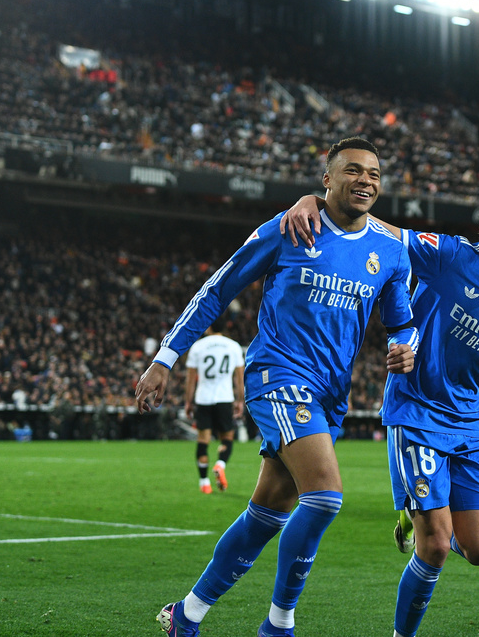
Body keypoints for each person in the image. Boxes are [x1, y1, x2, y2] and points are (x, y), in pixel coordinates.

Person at [134, 137, 420, 637]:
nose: (365, 181)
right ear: (326, 179)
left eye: (374, 174)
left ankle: (186, 615)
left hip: (331, 394)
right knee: (325, 497)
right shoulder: (290, 228)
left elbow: (401, 322)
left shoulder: (390, 250)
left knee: (267, 512)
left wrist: (405, 346)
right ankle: (278, 625)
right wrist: (165, 358)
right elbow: (218, 288)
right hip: (278, 376)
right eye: (353, 170)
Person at [282, 182, 479, 637]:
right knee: (435, 545)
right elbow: (383, 231)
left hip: (469, 425)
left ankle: (413, 517)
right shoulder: (453, 256)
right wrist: (317, 203)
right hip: (415, 412)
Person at [184, 318, 246, 494]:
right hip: (224, 398)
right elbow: (239, 378)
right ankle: (220, 464)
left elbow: (190, 379)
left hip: (203, 398)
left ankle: (204, 483)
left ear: (209, 327)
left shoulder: (198, 347)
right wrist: (240, 400)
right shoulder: (233, 346)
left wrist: (188, 401)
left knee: (203, 440)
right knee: (227, 437)